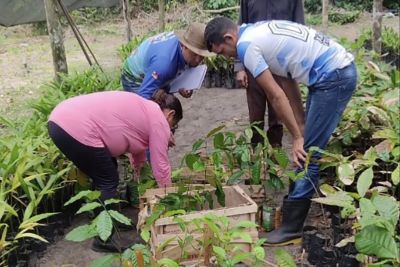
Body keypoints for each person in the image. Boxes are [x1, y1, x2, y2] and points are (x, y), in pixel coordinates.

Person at [204, 17, 357, 246]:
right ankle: (292, 210)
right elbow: (288, 80)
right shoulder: (254, 32)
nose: (227, 58)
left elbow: (275, 96)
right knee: (306, 148)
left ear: (228, 38)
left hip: (333, 76)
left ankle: (291, 228)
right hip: (330, 73)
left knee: (308, 156)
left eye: (223, 52)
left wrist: (296, 137)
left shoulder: (246, 47)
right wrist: (301, 123)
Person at [48, 90, 182, 252]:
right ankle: (103, 239)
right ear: (170, 114)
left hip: (61, 121)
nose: (171, 131)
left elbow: (137, 151)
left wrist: (140, 172)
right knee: (108, 179)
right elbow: (161, 165)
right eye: (173, 125)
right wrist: (168, 196)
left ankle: (109, 219)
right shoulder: (159, 120)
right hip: (74, 126)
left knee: (104, 173)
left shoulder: (146, 111)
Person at [236, 0, 305, 147]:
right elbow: (239, 28)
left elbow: (300, 28)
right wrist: (240, 67)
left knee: (278, 116)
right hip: (253, 62)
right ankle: (257, 158)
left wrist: (295, 67)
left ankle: (275, 159)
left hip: (280, 64)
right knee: (255, 117)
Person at [121, 22, 213, 99]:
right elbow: (143, 97)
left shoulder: (187, 45)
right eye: (194, 54)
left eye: (201, 56)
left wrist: (184, 85)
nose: (198, 60)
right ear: (184, 46)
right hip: (134, 76)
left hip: (155, 68)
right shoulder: (164, 63)